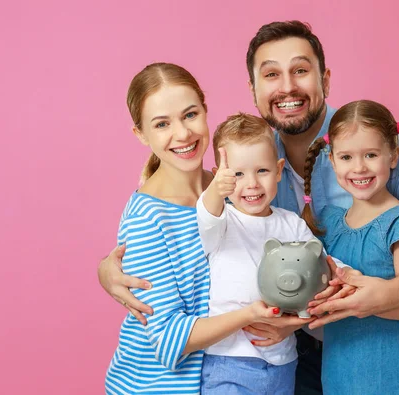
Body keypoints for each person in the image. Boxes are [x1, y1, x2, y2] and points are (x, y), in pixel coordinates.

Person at [99, 21, 399, 394]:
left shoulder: (367, 142)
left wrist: (397, 291)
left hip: (381, 350)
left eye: (300, 70)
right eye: (271, 75)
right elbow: (184, 238)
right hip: (279, 357)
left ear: (325, 79)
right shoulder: (246, 166)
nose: (287, 87)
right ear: (252, 90)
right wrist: (107, 269)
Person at [105, 62, 283, 395]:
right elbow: (169, 340)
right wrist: (249, 315)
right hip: (158, 387)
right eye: (162, 124)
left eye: (190, 115)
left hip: (227, 379)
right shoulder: (148, 218)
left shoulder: (231, 187)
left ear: (205, 109)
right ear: (141, 134)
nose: (183, 134)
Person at [198, 112, 342, 394]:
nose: (251, 183)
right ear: (221, 178)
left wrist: (343, 271)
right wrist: (216, 191)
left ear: (278, 170)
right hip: (228, 358)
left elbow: (319, 263)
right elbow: (207, 213)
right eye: (238, 174)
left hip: (282, 359)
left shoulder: (290, 222)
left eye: (261, 171)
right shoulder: (221, 221)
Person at [302, 99, 399, 393]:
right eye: (347, 157)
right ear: (332, 159)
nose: (359, 168)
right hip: (340, 377)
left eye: (371, 154)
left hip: (394, 378)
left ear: (393, 156)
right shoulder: (330, 224)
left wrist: (352, 301)